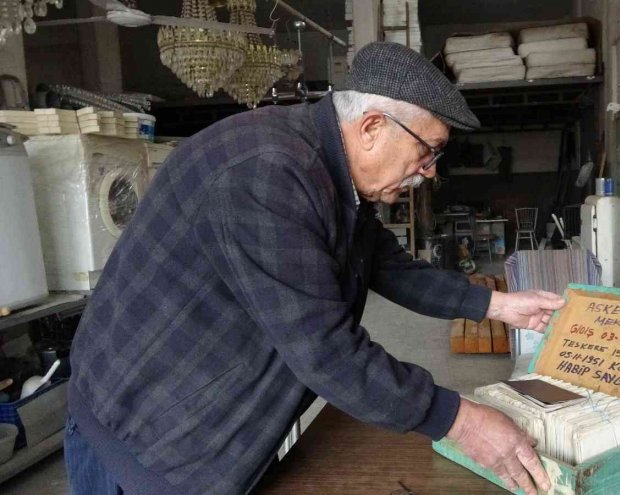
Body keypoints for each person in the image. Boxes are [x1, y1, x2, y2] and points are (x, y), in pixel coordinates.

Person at [65, 42, 564, 495]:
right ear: (372, 127)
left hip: (204, 422)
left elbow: (388, 266)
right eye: (427, 151)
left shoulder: (329, 170)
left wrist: (499, 305)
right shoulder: (267, 173)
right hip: (149, 441)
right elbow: (325, 351)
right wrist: (461, 422)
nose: (430, 171)